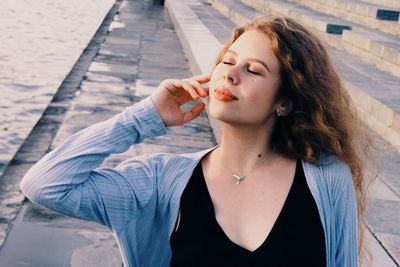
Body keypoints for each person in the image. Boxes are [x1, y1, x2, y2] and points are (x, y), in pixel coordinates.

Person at [20, 16, 371, 267]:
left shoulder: (326, 178)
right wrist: (146, 116)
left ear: (285, 101)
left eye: (254, 70)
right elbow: (46, 184)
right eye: (227, 61)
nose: (230, 73)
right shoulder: (161, 180)